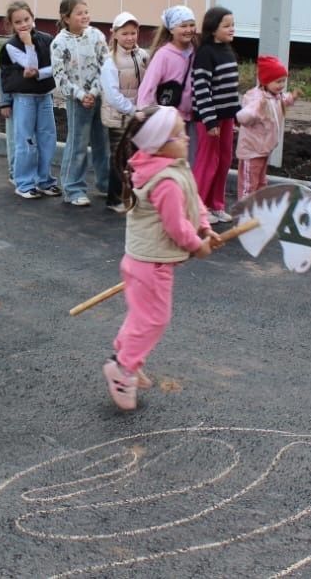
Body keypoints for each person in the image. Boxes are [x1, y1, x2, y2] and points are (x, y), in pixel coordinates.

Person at [101, 106, 217, 411]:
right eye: (178, 134)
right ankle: (122, 370)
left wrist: (204, 225)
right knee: (155, 319)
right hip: (151, 265)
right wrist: (196, 246)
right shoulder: (164, 180)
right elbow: (176, 226)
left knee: (141, 316)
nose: (187, 138)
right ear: (158, 145)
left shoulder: (172, 166)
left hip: (144, 261)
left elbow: (194, 200)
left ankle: (124, 357)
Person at [51, 0, 110, 207]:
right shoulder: (59, 43)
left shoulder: (96, 35)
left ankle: (106, 183)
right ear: (66, 18)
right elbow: (60, 75)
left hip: (98, 97)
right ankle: (73, 187)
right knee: (78, 143)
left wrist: (94, 92)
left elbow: (105, 65)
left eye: (86, 11)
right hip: (77, 102)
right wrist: (80, 95)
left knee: (103, 142)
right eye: (79, 13)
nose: (85, 16)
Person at [0, 0, 60, 200]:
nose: (24, 24)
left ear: (33, 18)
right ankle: (23, 182)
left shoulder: (47, 39)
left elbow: (55, 67)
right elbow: (29, 65)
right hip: (23, 98)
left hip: (44, 96)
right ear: (11, 25)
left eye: (26, 19)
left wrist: (39, 74)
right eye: (18, 22)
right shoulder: (11, 47)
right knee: (25, 140)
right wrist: (28, 45)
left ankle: (44, 180)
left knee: (47, 137)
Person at [190, 7, 240, 223]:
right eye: (226, 26)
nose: (231, 29)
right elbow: (201, 90)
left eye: (232, 25)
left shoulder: (228, 50)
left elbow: (231, 87)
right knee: (208, 161)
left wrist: (236, 115)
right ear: (212, 29)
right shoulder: (205, 54)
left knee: (224, 160)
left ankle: (215, 205)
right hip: (210, 119)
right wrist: (210, 120)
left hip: (227, 117)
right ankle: (196, 208)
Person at [100, 11, 150, 213]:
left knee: (136, 157)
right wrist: (132, 110)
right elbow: (112, 95)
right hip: (120, 118)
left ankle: (131, 195)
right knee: (119, 159)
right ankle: (114, 199)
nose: (130, 37)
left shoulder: (142, 56)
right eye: (125, 33)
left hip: (138, 116)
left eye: (133, 33)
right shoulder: (110, 61)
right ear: (115, 34)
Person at [137, 5, 199, 163]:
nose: (189, 29)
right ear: (171, 29)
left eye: (192, 25)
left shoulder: (196, 51)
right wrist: (144, 112)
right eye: (183, 26)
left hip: (191, 118)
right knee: (171, 160)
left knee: (189, 160)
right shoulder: (163, 55)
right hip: (169, 121)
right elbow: (148, 86)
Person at [235, 55, 296, 200]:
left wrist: (292, 97)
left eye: (283, 81)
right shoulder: (257, 99)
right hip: (252, 150)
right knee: (249, 184)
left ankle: (258, 210)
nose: (281, 85)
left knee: (261, 182)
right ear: (265, 81)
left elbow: (283, 100)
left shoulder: (275, 95)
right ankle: (244, 213)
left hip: (263, 149)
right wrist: (256, 110)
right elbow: (242, 118)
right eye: (278, 81)